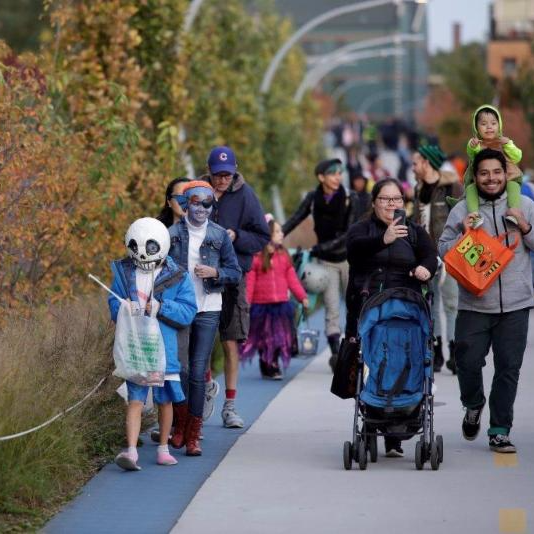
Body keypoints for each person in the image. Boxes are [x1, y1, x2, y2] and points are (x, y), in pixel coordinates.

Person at [438, 148, 534, 453]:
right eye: (484, 173)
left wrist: (525, 227)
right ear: (475, 177)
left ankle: (500, 430)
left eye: (496, 172)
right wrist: (464, 235)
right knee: (466, 362)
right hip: (474, 303)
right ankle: (473, 404)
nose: (491, 179)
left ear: (506, 174)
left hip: (516, 304)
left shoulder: (525, 206)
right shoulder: (462, 210)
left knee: (508, 368)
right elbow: (443, 248)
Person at [345, 178, 438, 456]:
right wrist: (382, 239)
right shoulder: (361, 229)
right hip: (368, 308)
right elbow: (354, 253)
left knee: (403, 358)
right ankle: (371, 420)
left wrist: (425, 269)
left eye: (396, 199)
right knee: (370, 361)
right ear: (374, 203)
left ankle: (397, 433)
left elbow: (430, 256)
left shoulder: (415, 232)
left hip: (406, 308)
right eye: (385, 199)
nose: (391, 204)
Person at [108, 217, 197, 470]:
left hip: (164, 350)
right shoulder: (124, 273)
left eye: (150, 247)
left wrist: (162, 307)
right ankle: (131, 450)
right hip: (136, 348)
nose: (142, 254)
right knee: (135, 399)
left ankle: (163, 448)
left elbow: (188, 311)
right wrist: (123, 308)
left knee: (164, 400)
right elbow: (113, 301)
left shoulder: (178, 276)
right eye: (136, 247)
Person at [167, 181, 241, 455]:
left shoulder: (219, 235)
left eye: (208, 203)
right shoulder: (171, 234)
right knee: (181, 369)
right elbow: (157, 270)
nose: (202, 208)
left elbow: (235, 272)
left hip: (209, 306)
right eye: (196, 202)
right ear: (186, 204)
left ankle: (193, 434)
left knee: (198, 371)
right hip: (180, 308)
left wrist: (215, 273)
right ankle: (179, 425)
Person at [203, 146, 271, 428]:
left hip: (233, 277)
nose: (222, 180)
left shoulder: (246, 195)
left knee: (230, 342)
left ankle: (230, 406)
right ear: (208, 171)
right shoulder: (197, 193)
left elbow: (262, 236)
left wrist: (237, 236)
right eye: (218, 175)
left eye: (227, 175)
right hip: (201, 277)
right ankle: (205, 389)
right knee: (200, 341)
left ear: (235, 171)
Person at [283, 158, 363, 372]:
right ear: (321, 177)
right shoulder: (313, 198)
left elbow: (349, 232)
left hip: (349, 260)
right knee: (331, 308)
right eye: (333, 173)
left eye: (339, 173)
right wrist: (276, 235)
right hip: (326, 262)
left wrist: (320, 248)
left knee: (356, 305)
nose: (338, 177)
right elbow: (295, 219)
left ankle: (356, 347)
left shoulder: (350, 198)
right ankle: (337, 355)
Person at [412, 145, 463, 373]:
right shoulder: (418, 189)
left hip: (450, 254)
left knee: (452, 303)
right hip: (426, 256)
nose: (413, 167)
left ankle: (454, 351)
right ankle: (436, 351)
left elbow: (462, 218)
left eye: (416, 163)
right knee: (431, 303)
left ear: (427, 163)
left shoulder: (451, 186)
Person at [239, 215, 309, 379]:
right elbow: (250, 283)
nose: (281, 234)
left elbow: (292, 279)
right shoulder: (257, 257)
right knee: (264, 338)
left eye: (281, 231)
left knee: (279, 337)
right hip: (261, 306)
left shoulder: (283, 256)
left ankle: (273, 363)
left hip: (281, 305)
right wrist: (246, 303)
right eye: (277, 231)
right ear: (267, 234)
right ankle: (267, 363)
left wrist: (302, 297)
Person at [455, 105, 523, 227]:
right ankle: (474, 216)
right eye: (483, 124)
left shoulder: (504, 141)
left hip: (508, 176)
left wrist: (508, 145)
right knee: (471, 189)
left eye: (493, 123)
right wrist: (473, 146)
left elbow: (517, 156)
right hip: (482, 180)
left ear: (499, 125)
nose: (489, 127)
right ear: (476, 127)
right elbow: (472, 153)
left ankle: (514, 213)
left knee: (514, 186)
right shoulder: (476, 143)